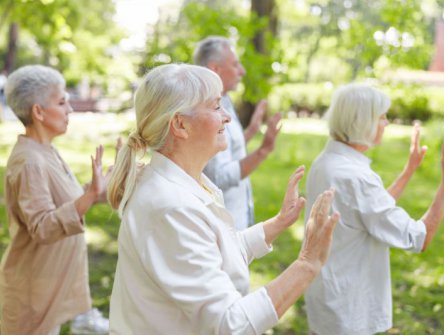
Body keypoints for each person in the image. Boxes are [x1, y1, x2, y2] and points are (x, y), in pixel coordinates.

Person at [107, 63, 339, 334]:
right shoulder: (171, 207)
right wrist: (307, 264)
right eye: (216, 106)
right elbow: (229, 325)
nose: (227, 117)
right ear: (180, 124)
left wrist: (276, 224)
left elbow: (215, 251)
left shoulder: (185, 181)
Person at [304, 83, 444, 335]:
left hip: (327, 299)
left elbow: (368, 213)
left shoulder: (327, 162)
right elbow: (418, 238)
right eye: (382, 117)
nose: (386, 123)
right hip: (347, 309)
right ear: (362, 122)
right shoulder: (355, 177)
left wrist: (409, 169)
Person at [0, 65, 111, 335]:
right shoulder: (29, 162)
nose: (70, 110)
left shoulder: (45, 151)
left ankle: (83, 318)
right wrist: (89, 196)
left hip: (52, 285)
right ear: (38, 111)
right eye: (62, 102)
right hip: (31, 297)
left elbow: (67, 203)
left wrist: (106, 190)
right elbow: (43, 226)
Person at [193, 36, 281, 230]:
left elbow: (226, 149)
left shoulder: (224, 100)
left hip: (237, 217)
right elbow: (217, 177)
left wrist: (249, 132)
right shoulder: (205, 110)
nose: (242, 71)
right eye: (235, 65)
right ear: (215, 69)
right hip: (223, 226)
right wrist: (263, 151)